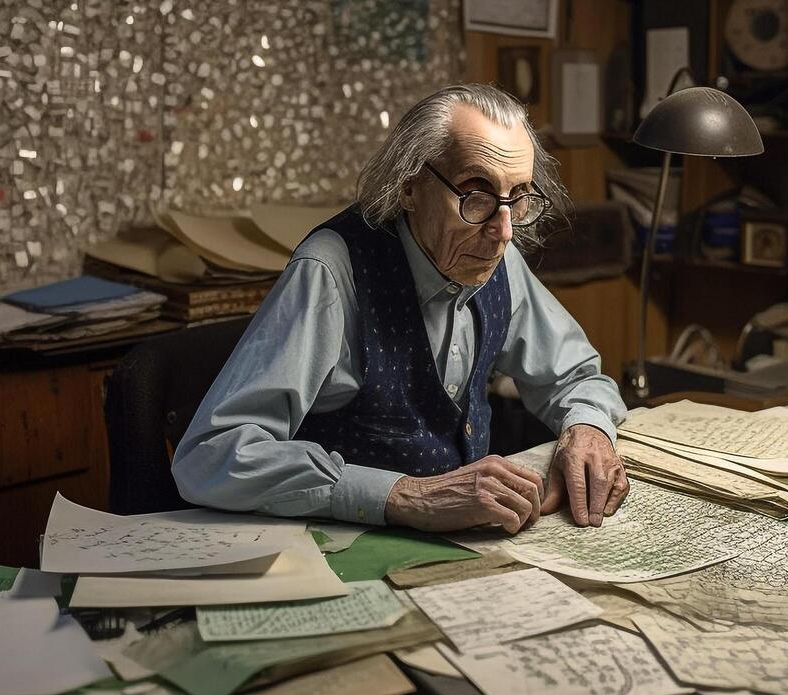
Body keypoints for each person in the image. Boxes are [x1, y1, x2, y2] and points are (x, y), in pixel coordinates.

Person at [172, 83, 629, 534]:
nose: (504, 231)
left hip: (470, 546)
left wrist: (586, 428)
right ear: (410, 187)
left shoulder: (494, 254)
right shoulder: (333, 271)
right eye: (476, 196)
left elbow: (576, 376)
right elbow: (211, 454)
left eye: (519, 197)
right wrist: (405, 495)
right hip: (347, 550)